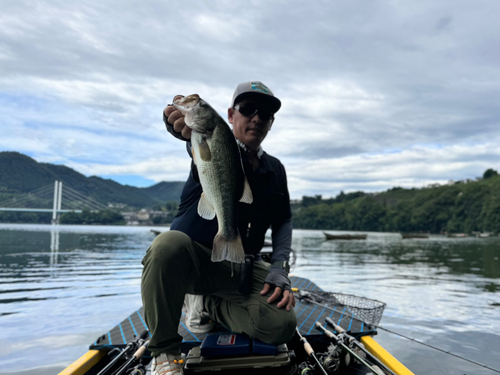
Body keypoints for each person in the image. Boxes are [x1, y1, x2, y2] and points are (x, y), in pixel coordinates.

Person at [141, 81, 297, 375]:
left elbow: (283, 221)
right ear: (230, 114)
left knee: (281, 326)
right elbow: (191, 140)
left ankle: (208, 305)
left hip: (242, 267)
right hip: (197, 263)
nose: (256, 118)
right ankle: (164, 353)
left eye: (265, 113)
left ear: (271, 122)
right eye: (248, 109)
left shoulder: (275, 169)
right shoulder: (211, 141)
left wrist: (280, 269)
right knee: (166, 246)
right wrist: (177, 124)